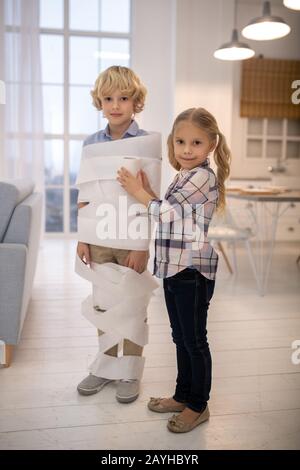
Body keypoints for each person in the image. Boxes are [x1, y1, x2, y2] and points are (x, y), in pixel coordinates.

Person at [117, 107, 231, 432]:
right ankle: (183, 395)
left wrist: (138, 194)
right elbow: (172, 212)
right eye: (180, 141)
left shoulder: (202, 176)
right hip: (173, 269)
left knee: (194, 340)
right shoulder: (183, 175)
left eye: (196, 142)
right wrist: (150, 193)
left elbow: (165, 214)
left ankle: (198, 405)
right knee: (180, 337)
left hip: (192, 271)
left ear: (211, 145)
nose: (186, 149)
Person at [76, 65, 160, 404]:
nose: (115, 105)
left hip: (131, 237)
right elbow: (84, 195)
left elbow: (150, 199)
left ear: (135, 102)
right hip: (98, 238)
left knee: (133, 302)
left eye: (123, 98)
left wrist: (142, 246)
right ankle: (106, 365)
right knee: (104, 304)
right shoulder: (90, 145)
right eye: (108, 99)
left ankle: (130, 371)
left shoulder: (145, 143)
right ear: (99, 102)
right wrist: (83, 238)